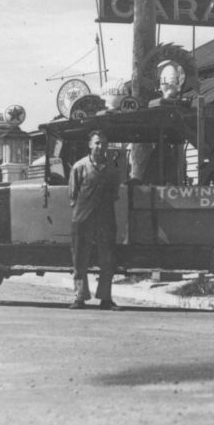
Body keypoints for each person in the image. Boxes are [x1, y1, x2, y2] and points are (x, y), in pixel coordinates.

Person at [69, 129, 121, 311]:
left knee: (107, 260)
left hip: (105, 219)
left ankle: (105, 299)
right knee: (79, 259)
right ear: (90, 145)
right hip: (82, 219)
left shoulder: (113, 168)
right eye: (97, 143)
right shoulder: (79, 167)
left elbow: (115, 194)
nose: (100, 146)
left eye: (103, 143)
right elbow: (73, 195)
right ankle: (79, 297)